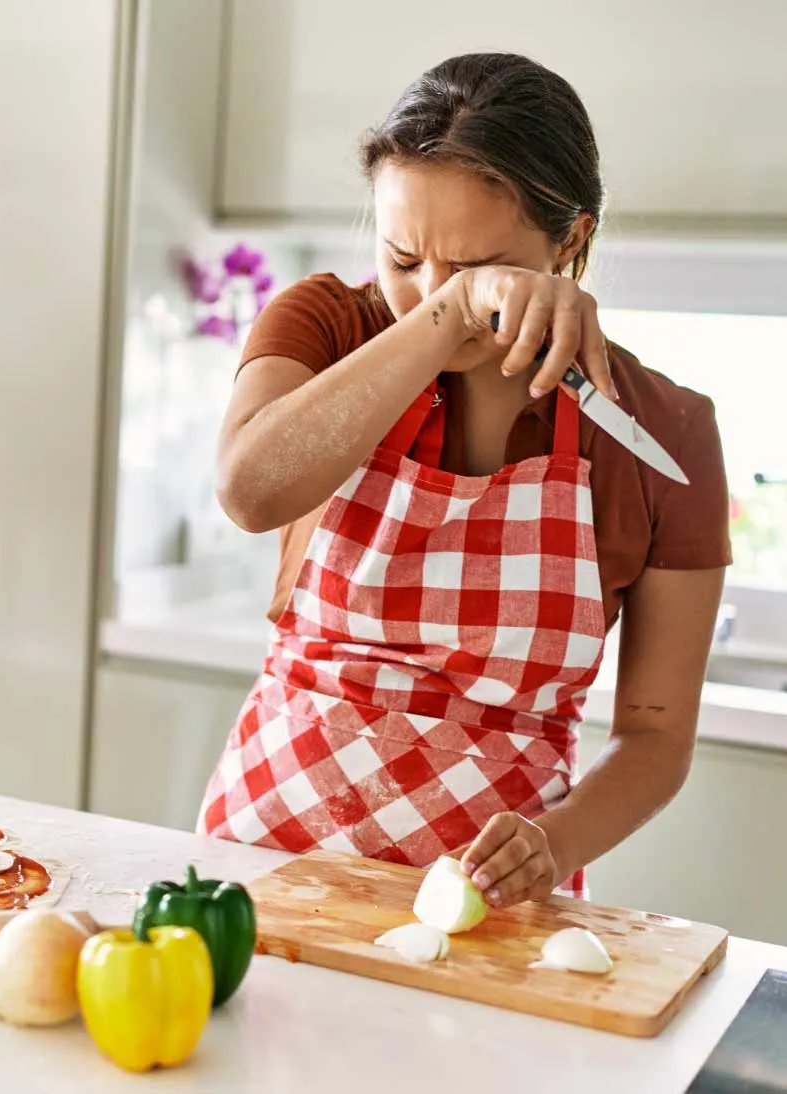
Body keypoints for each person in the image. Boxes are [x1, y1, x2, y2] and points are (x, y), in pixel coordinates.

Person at [197, 53, 730, 908]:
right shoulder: (327, 324)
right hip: (263, 854)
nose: (425, 293)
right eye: (402, 257)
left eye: (481, 263)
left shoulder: (664, 431)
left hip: (483, 907)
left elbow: (655, 739)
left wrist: (550, 848)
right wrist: (450, 312)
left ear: (572, 240)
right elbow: (250, 492)